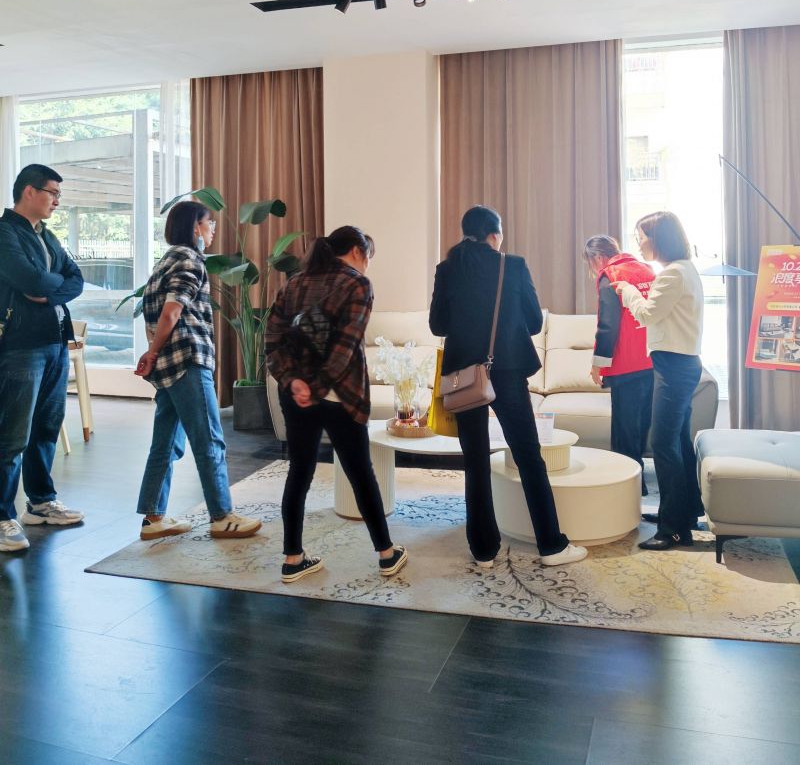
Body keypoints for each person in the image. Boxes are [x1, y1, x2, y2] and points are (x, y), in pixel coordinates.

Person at [429, 205, 587, 569]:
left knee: (475, 461)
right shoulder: (512, 265)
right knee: (529, 456)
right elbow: (534, 322)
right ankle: (551, 545)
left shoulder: (447, 268)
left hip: (464, 377)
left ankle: (483, 550)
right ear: (494, 235)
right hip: (508, 370)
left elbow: (438, 326)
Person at [265, 226, 408, 583]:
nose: (368, 263)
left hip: (296, 395)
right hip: (340, 395)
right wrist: (316, 388)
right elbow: (345, 348)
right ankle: (386, 554)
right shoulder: (358, 284)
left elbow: (272, 340)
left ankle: (293, 558)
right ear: (358, 251)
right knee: (360, 473)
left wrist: (294, 382)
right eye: (369, 255)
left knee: (299, 472)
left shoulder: (294, 283)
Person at [134, 200, 262, 541]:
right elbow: (172, 311)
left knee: (165, 443)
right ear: (196, 228)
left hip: (168, 366)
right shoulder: (190, 259)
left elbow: (160, 313)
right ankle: (222, 517)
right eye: (210, 223)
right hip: (188, 361)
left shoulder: (165, 261)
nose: (214, 229)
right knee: (209, 441)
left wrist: (154, 352)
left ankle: (153, 518)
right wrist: (153, 350)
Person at [0, 164, 85, 552]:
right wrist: (51, 284)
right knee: (13, 435)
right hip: (21, 345)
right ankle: (3, 516)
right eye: (53, 192)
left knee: (47, 426)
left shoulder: (47, 236)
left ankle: (40, 502)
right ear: (29, 191)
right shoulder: (5, 232)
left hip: (55, 342)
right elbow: (28, 279)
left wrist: (49, 292)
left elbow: (76, 279)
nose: (57, 201)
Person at [611, 211, 704, 551]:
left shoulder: (673, 274)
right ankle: (685, 513)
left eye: (641, 238)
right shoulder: (684, 270)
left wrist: (627, 290)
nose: (639, 245)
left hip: (674, 367)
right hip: (680, 364)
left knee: (663, 443)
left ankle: (674, 530)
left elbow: (648, 314)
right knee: (677, 441)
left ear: (658, 239)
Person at [584, 234, 655, 495]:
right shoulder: (647, 270)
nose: (593, 269)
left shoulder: (610, 275)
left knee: (624, 428)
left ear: (597, 257)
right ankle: (639, 481)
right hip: (653, 360)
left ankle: (629, 486)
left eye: (591, 262)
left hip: (626, 364)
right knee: (641, 423)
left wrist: (598, 364)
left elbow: (608, 325)